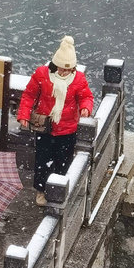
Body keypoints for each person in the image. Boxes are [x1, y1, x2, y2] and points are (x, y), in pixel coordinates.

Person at [17, 35, 94, 207]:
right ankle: (41, 190)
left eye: (68, 70)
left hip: (67, 129)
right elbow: (29, 95)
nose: (64, 72)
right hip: (44, 128)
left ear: (73, 68)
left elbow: (86, 96)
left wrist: (86, 108)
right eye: (61, 69)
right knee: (42, 160)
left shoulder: (79, 79)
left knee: (63, 161)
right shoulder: (42, 74)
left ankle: (57, 191)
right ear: (54, 65)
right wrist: (23, 114)